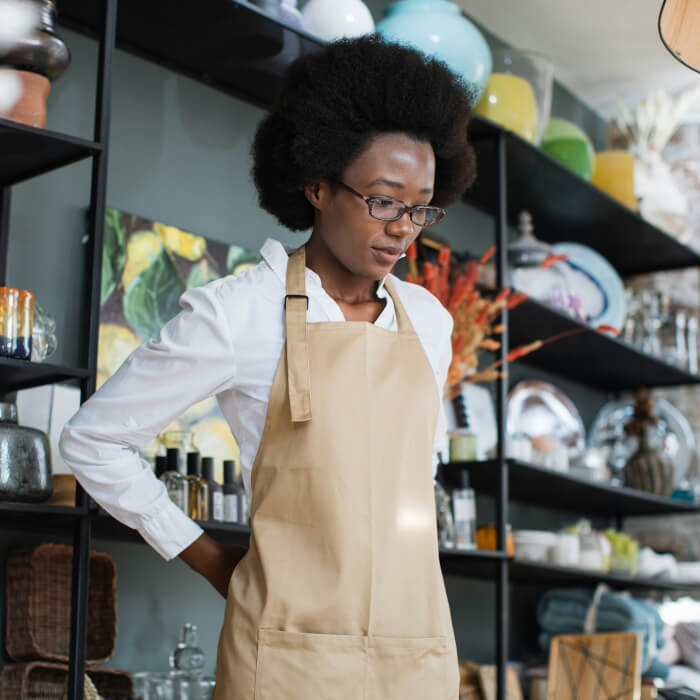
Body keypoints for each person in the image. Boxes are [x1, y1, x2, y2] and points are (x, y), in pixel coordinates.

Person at [59, 34, 477, 700]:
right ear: (316, 184)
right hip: (287, 658)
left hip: (417, 651)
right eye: (383, 200)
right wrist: (214, 562)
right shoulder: (240, 312)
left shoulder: (429, 321)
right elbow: (92, 441)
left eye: (422, 206)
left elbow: (411, 485)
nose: (404, 228)